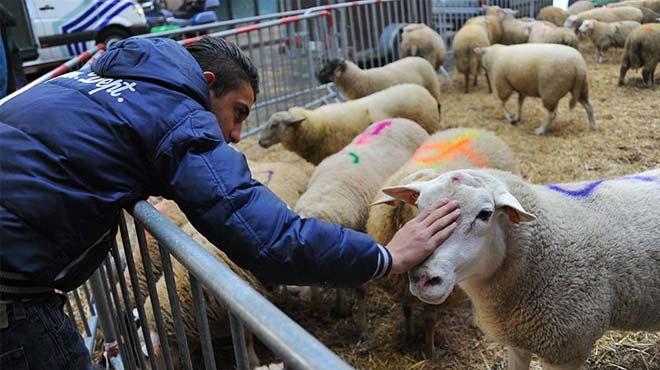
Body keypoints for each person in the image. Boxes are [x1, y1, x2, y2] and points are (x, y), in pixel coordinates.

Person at [0, 37, 460, 369]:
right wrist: (386, 255)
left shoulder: (77, 84)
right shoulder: (179, 116)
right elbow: (271, 239)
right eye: (238, 111)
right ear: (206, 83)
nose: (238, 135)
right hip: (13, 297)